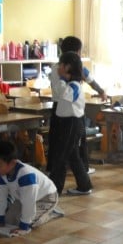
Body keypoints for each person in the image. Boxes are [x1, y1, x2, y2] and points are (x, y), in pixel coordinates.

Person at [47, 36, 105, 175]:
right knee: (79, 139)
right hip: (73, 109)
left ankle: (53, 168)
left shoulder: (55, 68)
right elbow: (91, 81)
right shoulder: (78, 67)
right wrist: (102, 91)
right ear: (77, 52)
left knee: (56, 138)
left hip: (57, 107)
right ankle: (82, 167)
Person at [0, 140, 61, 236]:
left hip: (46, 197)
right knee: (9, 220)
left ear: (12, 163)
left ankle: (52, 212)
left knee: (30, 222)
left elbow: (29, 203)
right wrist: (0, 219)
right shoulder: (1, 174)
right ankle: (37, 212)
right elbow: (0, 198)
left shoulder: (26, 176)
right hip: (24, 198)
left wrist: (24, 227)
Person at [48, 51, 94, 196]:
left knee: (60, 157)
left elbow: (63, 94)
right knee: (73, 156)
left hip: (72, 124)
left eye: (61, 65)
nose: (58, 67)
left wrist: (61, 78)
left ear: (68, 67)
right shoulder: (68, 83)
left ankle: (54, 190)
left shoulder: (74, 85)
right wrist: (59, 78)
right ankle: (84, 186)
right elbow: (57, 92)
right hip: (66, 123)